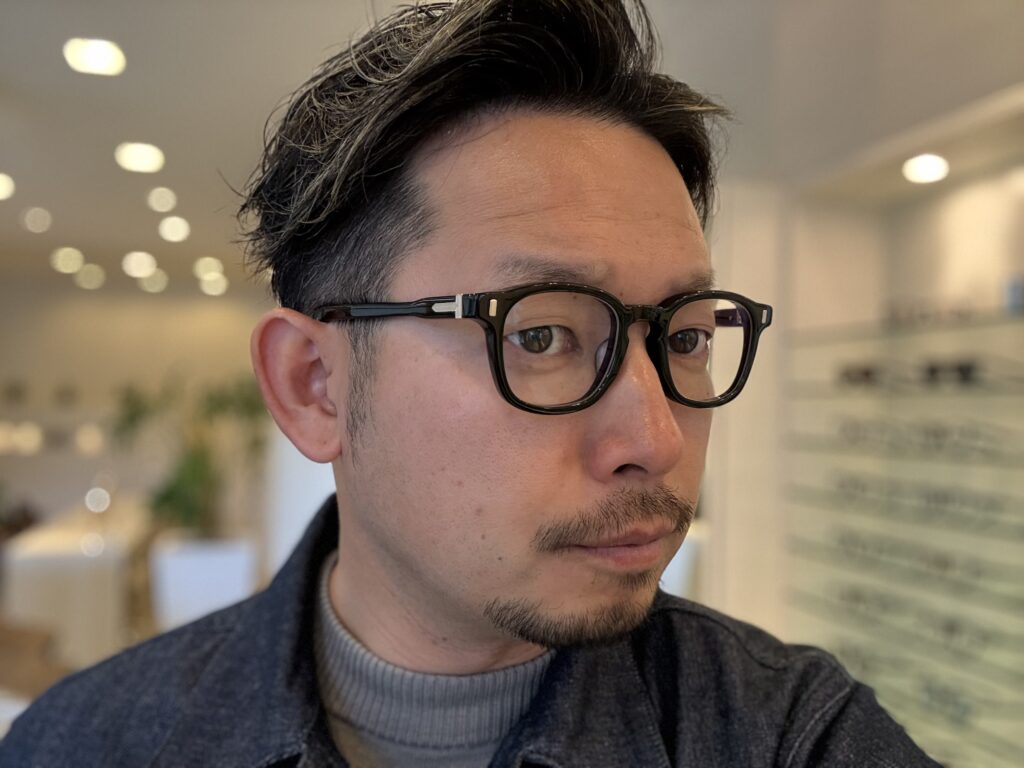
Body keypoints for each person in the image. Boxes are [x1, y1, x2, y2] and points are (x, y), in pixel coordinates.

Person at [3, 1, 940, 765]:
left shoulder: (791, 736)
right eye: (541, 334)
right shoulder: (86, 744)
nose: (655, 439)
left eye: (686, 337)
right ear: (314, 386)